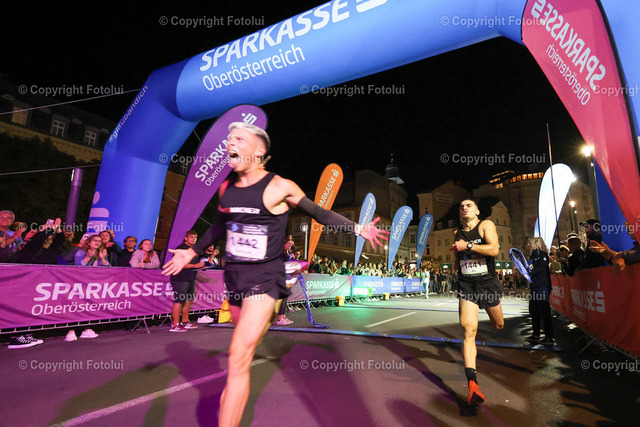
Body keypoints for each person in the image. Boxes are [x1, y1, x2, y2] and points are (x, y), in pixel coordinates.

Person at [162, 122, 388, 427]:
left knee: (238, 357)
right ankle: (266, 319)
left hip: (265, 279)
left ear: (259, 151)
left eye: (239, 138)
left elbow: (319, 212)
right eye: (229, 138)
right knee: (245, 347)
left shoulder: (280, 186)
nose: (230, 142)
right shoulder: (226, 189)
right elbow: (217, 227)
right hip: (235, 281)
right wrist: (191, 251)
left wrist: (358, 228)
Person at [451, 199, 504, 407]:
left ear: (477, 211)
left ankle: (491, 315)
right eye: (461, 206)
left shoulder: (485, 225)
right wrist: (457, 258)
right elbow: (457, 259)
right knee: (468, 331)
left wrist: (468, 245)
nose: (464, 208)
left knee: (498, 324)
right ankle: (472, 383)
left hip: (487, 284)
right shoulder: (456, 232)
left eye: (469, 205)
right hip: (467, 285)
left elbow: (493, 250)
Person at [168, 230, 204, 332]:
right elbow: (178, 263)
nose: (193, 239)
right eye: (191, 237)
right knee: (179, 300)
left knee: (188, 300)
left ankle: (184, 321)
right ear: (186, 238)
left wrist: (201, 266)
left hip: (190, 277)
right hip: (179, 278)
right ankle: (175, 325)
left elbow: (195, 264)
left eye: (195, 237)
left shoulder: (193, 250)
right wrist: (195, 265)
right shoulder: (181, 248)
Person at [526, 236, 554, 345]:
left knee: (544, 312)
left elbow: (541, 268)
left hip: (542, 286)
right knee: (533, 311)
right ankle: (536, 335)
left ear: (536, 244)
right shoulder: (532, 256)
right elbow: (530, 268)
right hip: (534, 286)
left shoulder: (542, 255)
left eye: (531, 243)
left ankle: (549, 337)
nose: (529, 245)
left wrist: (529, 271)